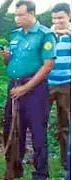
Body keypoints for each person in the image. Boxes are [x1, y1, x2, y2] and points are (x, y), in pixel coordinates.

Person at [0, 1, 56, 180]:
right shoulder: (15, 36)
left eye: (21, 15)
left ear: (31, 14)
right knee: (14, 128)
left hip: (34, 89)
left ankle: (41, 172)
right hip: (14, 87)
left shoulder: (44, 35)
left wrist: (26, 88)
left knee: (37, 130)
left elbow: (47, 66)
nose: (17, 18)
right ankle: (16, 168)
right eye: (16, 15)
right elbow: (11, 63)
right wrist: (7, 58)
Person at [48, 3, 71, 171]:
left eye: (61, 18)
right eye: (55, 18)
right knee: (40, 121)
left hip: (66, 85)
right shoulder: (47, 35)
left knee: (65, 124)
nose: (58, 21)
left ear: (69, 17)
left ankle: (65, 162)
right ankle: (39, 161)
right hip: (47, 84)